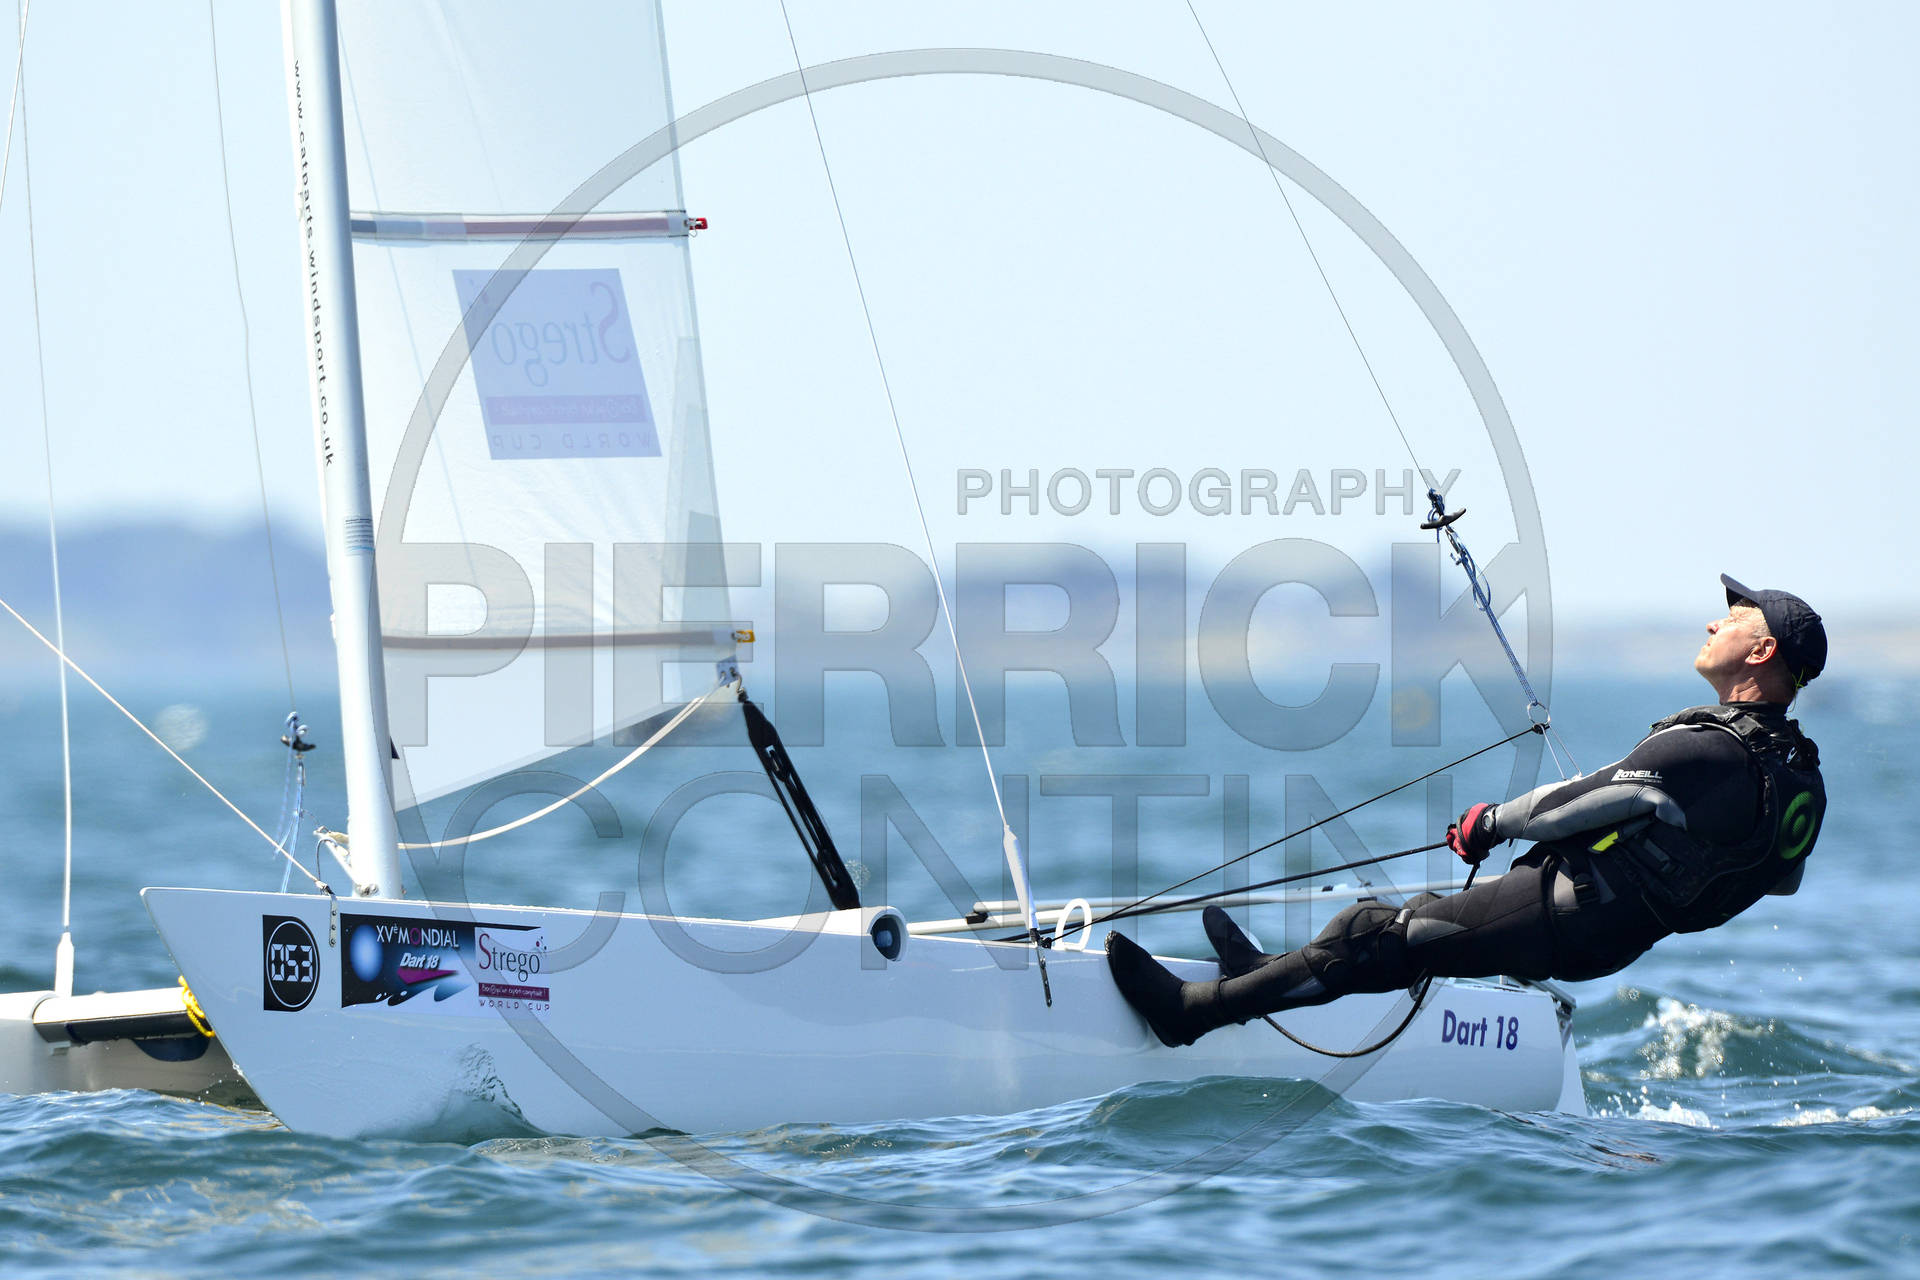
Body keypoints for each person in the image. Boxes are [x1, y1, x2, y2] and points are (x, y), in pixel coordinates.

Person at [1107, 574, 1828, 1047]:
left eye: (1734, 618)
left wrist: (1489, 823)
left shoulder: (1708, 750)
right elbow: (1778, 879)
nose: (1714, 621)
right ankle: (1259, 975)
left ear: (1761, 649)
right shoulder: (1798, 779)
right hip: (1604, 935)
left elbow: (1574, 803)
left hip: (1562, 911)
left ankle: (1192, 1014)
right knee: (1409, 920)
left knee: (1369, 936)